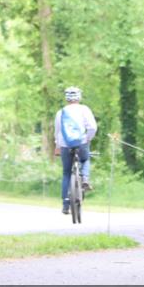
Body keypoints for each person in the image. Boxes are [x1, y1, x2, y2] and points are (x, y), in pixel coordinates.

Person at [54, 86, 98, 215]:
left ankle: (66, 204)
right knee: (85, 159)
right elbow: (93, 128)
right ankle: (85, 178)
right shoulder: (84, 110)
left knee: (66, 173)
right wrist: (88, 139)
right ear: (79, 97)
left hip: (64, 145)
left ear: (67, 98)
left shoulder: (60, 112)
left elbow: (57, 132)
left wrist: (57, 146)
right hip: (81, 143)